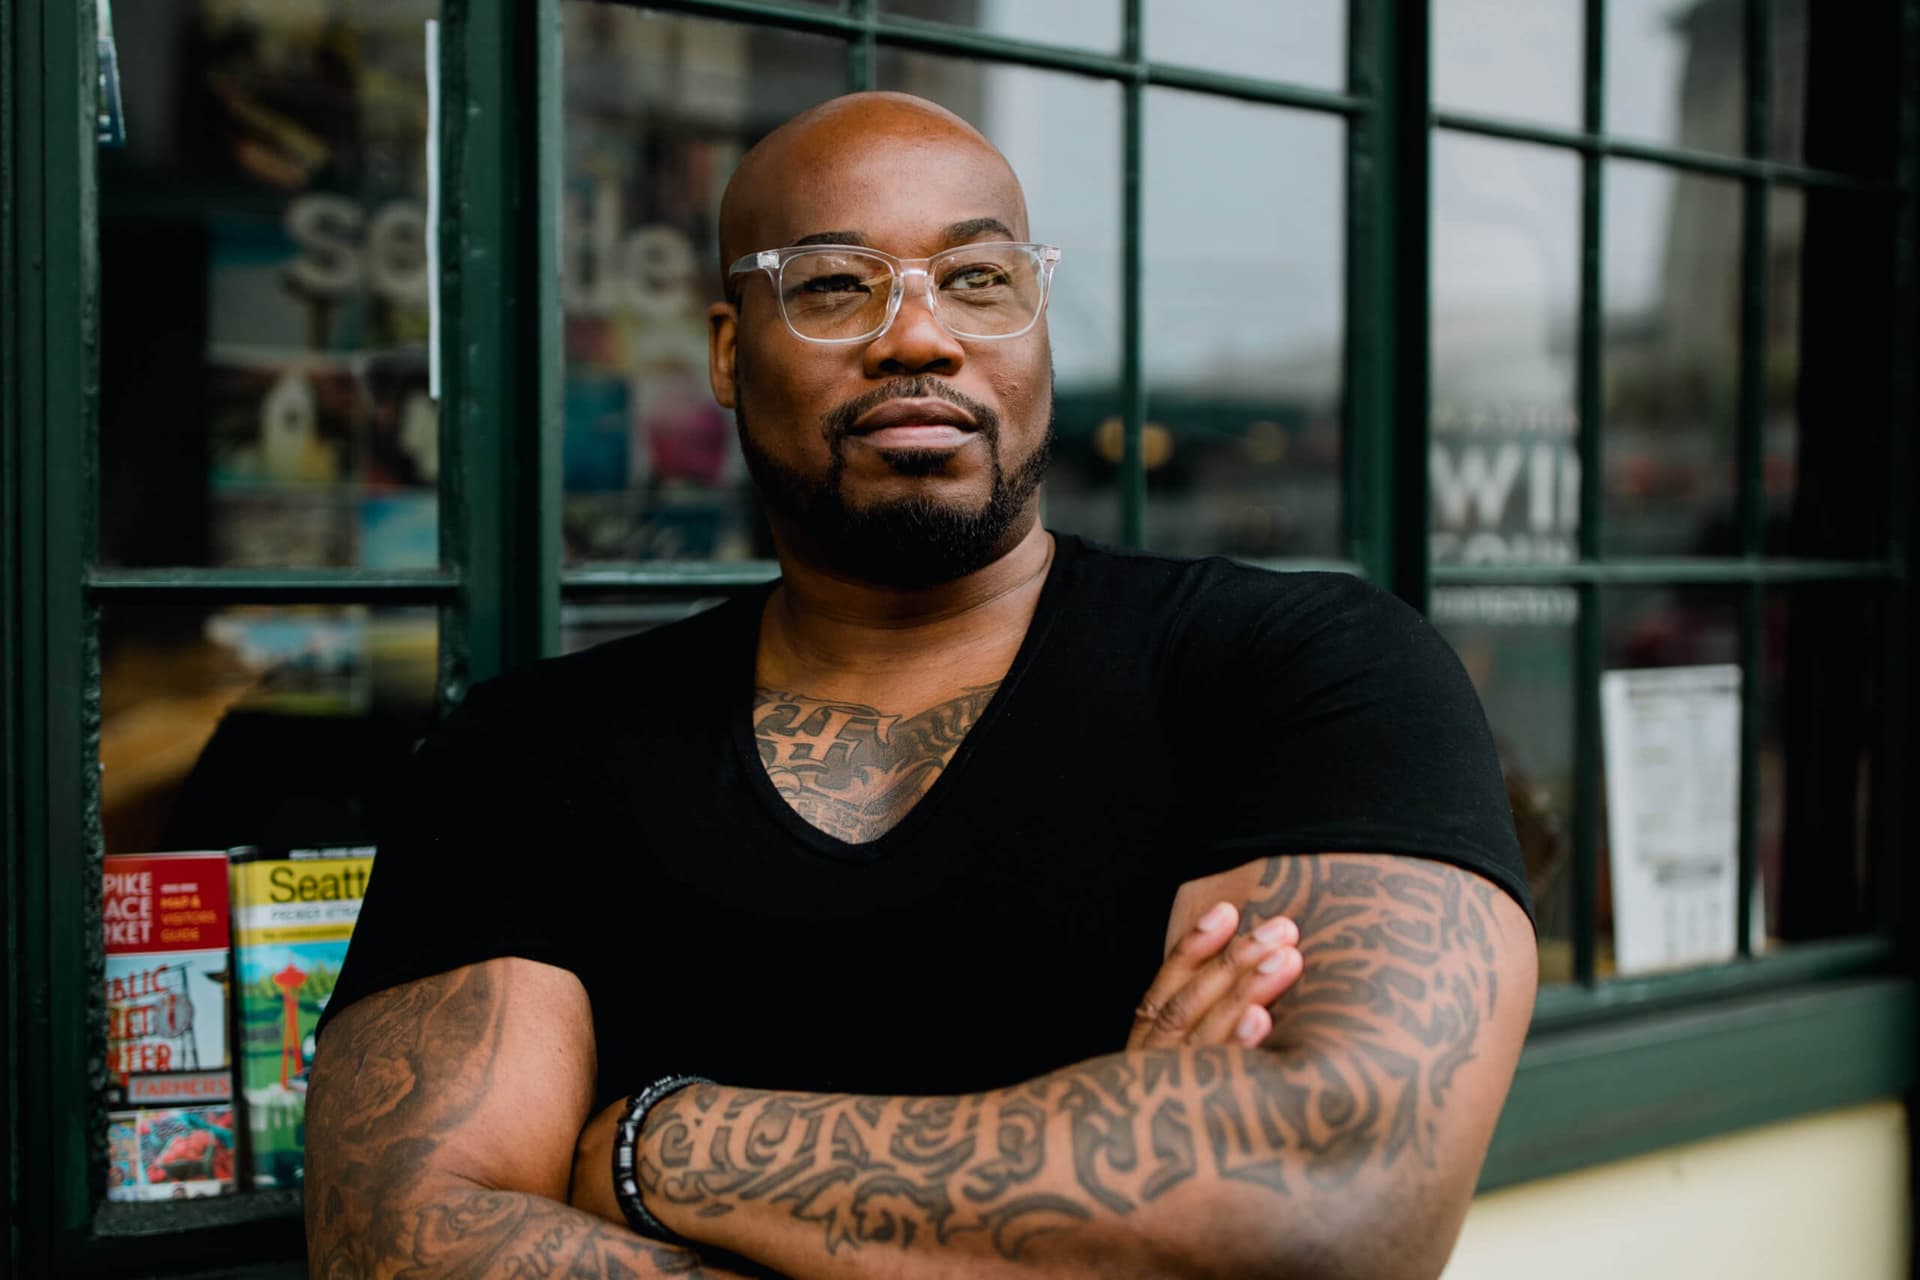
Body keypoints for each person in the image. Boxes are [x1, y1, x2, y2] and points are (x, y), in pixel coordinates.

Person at [304, 92, 1536, 1280]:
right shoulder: (533, 753)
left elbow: (1330, 1196)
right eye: (835, 285)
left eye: (979, 278)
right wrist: (1116, 1192)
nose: (919, 336)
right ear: (729, 350)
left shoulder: (1302, 672)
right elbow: (397, 1242)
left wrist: (657, 1143)